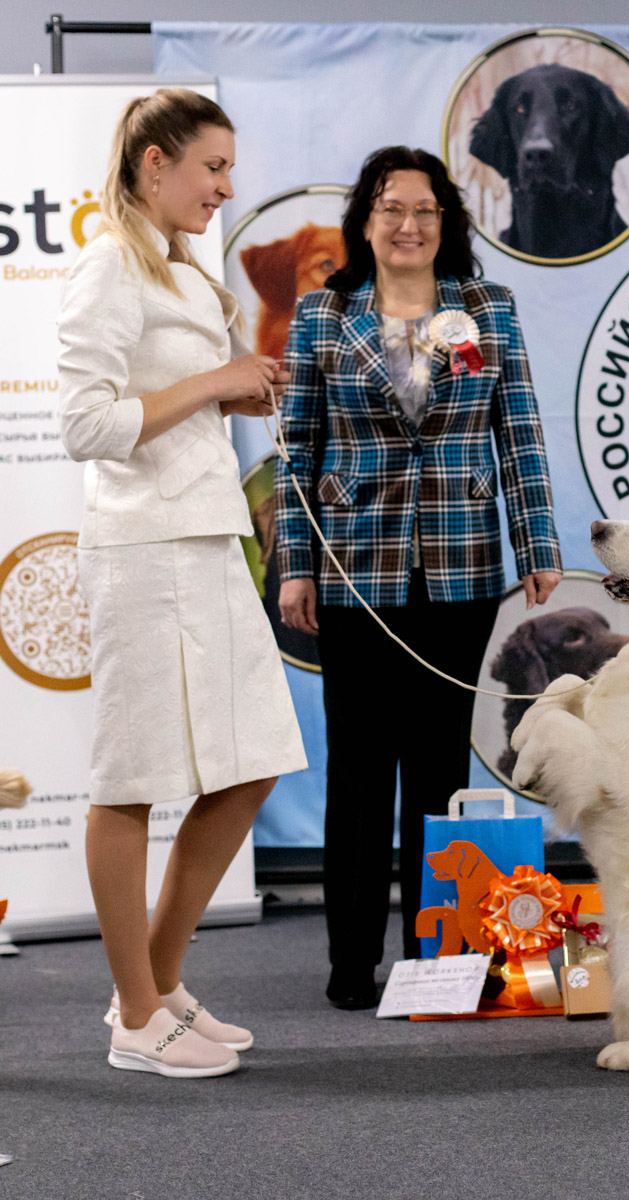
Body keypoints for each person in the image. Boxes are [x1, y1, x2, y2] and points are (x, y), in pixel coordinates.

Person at [276, 146, 562, 1010]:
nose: (408, 225)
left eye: (425, 210)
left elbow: (520, 435)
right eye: (391, 209)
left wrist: (537, 543)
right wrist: (295, 566)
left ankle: (437, 956)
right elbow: (296, 451)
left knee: (440, 765)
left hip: (465, 564)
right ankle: (350, 959)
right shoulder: (323, 316)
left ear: (448, 221)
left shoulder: (488, 310)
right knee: (359, 768)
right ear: (365, 221)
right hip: (355, 573)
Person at [58, 88, 307, 1077]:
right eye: (211, 166)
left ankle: (155, 985)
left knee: (250, 763)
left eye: (229, 167)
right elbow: (84, 425)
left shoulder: (184, 268)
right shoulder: (107, 268)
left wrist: (240, 384)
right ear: (153, 162)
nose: (226, 186)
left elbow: (179, 407)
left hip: (206, 542)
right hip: (141, 551)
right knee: (131, 783)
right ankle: (132, 1016)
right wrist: (214, 382)